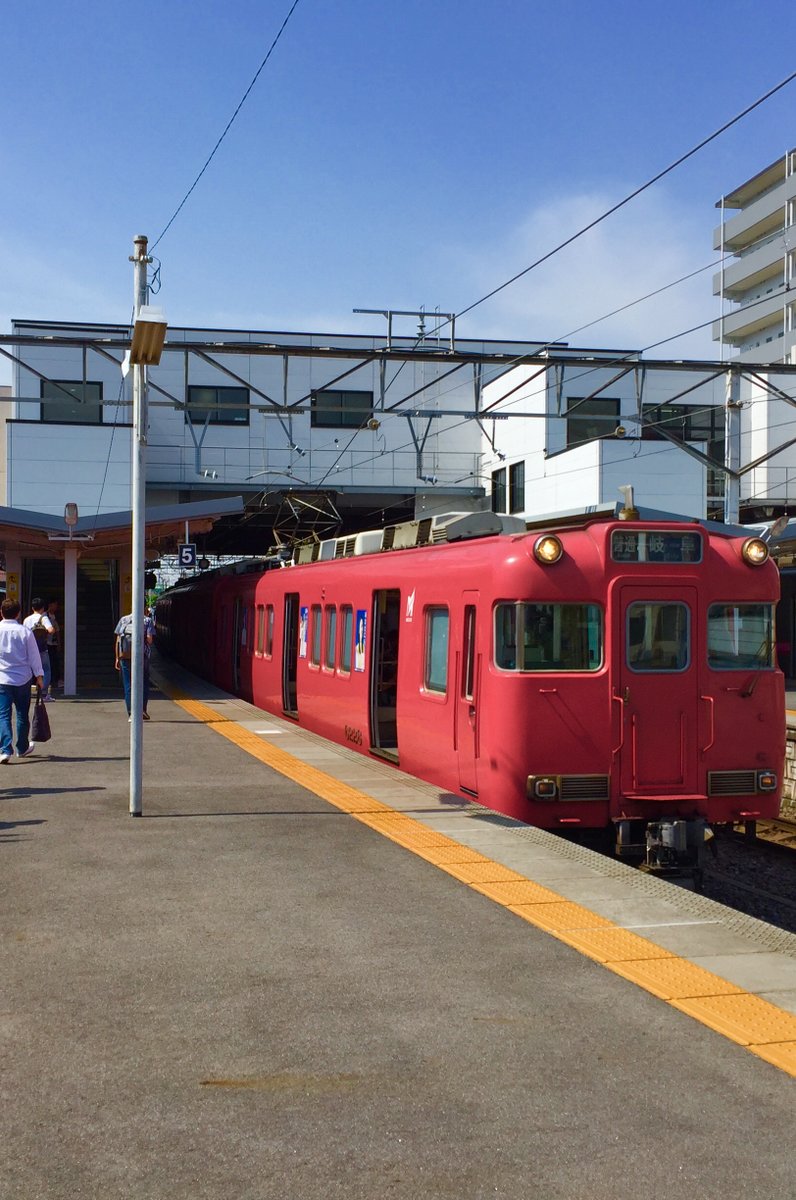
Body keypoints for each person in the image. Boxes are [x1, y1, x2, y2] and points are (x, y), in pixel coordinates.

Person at [0, 598, 44, 762]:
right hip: (22, 678)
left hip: (2, 679)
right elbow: (34, 656)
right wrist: (39, 676)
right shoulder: (25, 632)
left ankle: (5, 749)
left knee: (3, 715)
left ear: (1, 612)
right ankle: (22, 747)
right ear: (18, 614)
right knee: (21, 714)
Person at [114, 607, 155, 720]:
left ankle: (131, 713)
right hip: (143, 656)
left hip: (125, 656)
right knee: (143, 683)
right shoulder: (147, 621)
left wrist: (117, 658)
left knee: (128, 684)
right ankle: (142, 710)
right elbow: (150, 640)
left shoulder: (124, 619)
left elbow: (118, 640)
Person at [23, 598, 54, 700]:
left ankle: (28, 690)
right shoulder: (43, 618)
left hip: (29, 649)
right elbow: (51, 630)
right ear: (43, 608)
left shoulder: (26, 620)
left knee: (30, 670)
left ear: (32, 608)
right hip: (41, 648)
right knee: (46, 670)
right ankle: (44, 693)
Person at [45, 599, 62, 697]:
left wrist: (59, 643)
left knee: (55, 661)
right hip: (47, 643)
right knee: (50, 662)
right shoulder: (45, 617)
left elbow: (58, 630)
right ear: (50, 605)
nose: (56, 607)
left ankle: (54, 680)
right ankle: (50, 682)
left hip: (53, 642)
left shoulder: (54, 616)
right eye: (54, 605)